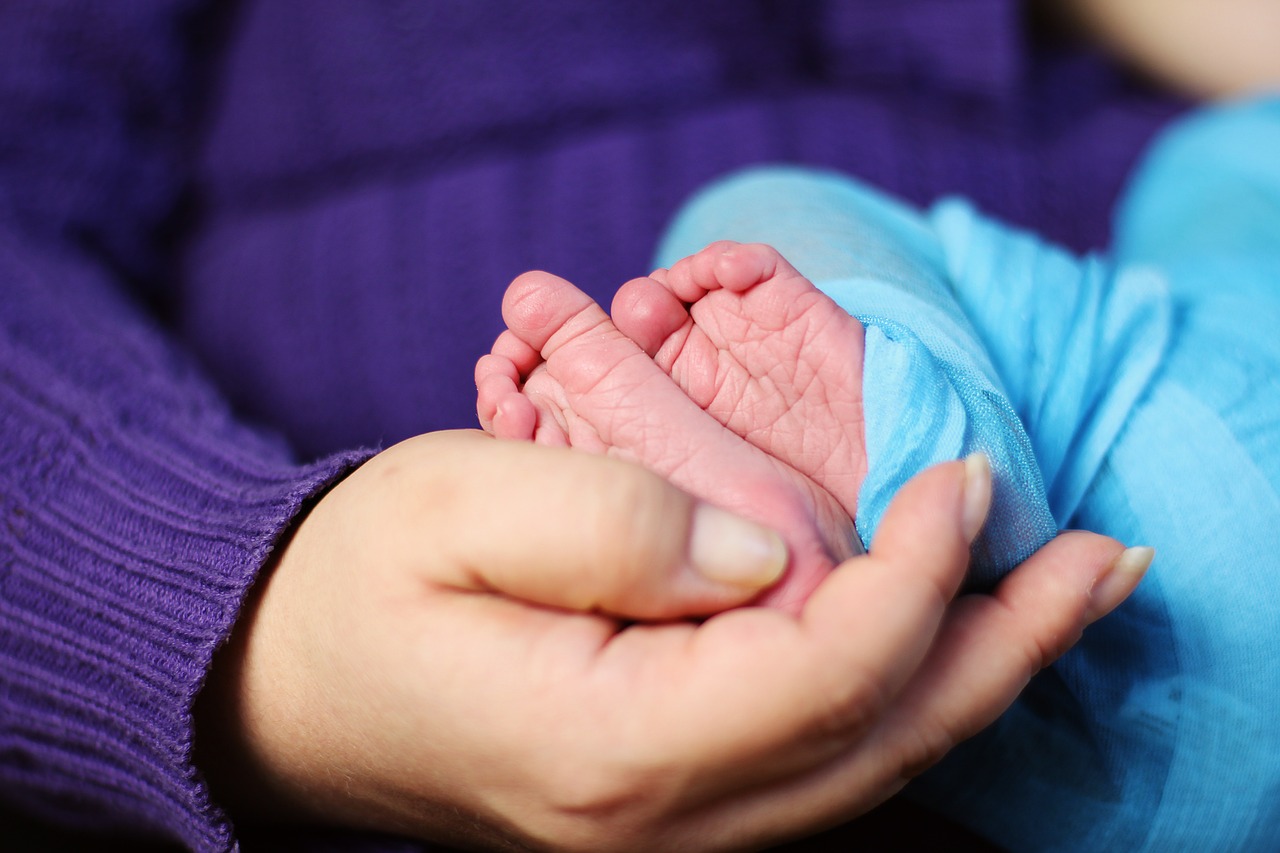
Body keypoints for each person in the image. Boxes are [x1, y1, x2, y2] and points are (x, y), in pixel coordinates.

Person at [0, 2, 1178, 850]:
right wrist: (268, 625)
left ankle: (905, 446)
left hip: (1149, 294)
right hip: (1058, 352)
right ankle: (894, 445)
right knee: (799, 244)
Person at [476, 87, 1280, 848]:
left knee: (761, 207)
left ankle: (895, 463)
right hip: (1193, 521)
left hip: (1108, 736)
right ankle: (897, 460)